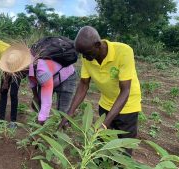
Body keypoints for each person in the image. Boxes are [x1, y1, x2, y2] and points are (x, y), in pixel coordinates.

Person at [59, 26, 141, 155]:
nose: (84, 58)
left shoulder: (123, 51)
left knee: (123, 149)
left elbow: (125, 91)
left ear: (98, 45)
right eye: (82, 55)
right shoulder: (88, 57)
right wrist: (69, 114)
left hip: (128, 107)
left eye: (87, 53)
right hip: (105, 103)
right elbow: (83, 85)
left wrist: (104, 124)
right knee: (101, 147)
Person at [0, 43, 77, 125]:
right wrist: (35, 96)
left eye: (17, 73)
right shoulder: (28, 62)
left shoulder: (42, 70)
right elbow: (32, 79)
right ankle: (41, 126)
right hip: (49, 77)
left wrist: (41, 121)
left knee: (62, 112)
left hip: (66, 78)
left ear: (23, 68)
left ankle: (61, 131)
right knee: (37, 104)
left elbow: (47, 100)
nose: (17, 76)